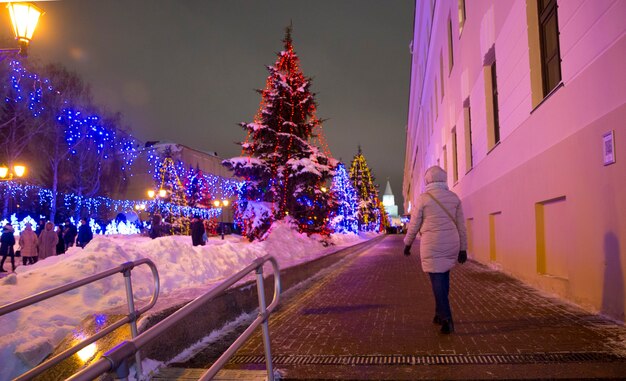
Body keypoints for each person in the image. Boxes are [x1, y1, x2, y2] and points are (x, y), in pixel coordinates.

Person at [403, 166, 467, 334]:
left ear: (428, 180)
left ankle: (447, 319)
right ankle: (439, 314)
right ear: (444, 179)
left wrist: (408, 244)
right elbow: (461, 226)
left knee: (437, 280)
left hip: (432, 243)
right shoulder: (454, 198)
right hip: (451, 242)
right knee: (443, 277)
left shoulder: (423, 199)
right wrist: (463, 248)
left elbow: (414, 224)